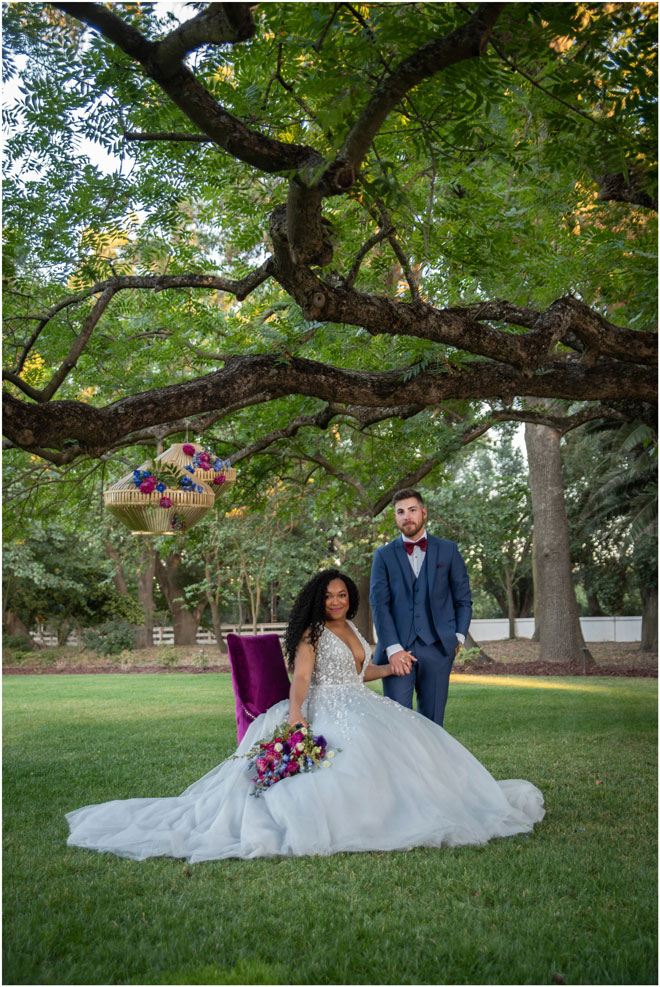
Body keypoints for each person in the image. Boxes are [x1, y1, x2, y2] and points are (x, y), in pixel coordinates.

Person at [66, 569, 544, 862]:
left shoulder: (352, 626)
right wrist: (296, 716)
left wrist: (390, 666)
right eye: (330, 596)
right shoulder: (312, 633)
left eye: (342, 595)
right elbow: (302, 678)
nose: (337, 601)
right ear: (318, 599)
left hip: (359, 700)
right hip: (322, 706)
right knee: (347, 762)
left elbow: (360, 672)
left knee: (411, 752)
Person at [370, 488, 472, 727]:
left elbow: (463, 600)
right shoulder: (383, 555)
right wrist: (393, 650)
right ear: (395, 517)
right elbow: (379, 605)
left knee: (433, 723)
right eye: (401, 512)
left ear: (424, 513)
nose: (407, 516)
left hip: (438, 648)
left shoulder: (448, 550)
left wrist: (457, 638)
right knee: (399, 722)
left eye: (412, 510)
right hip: (397, 652)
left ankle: (432, 756)